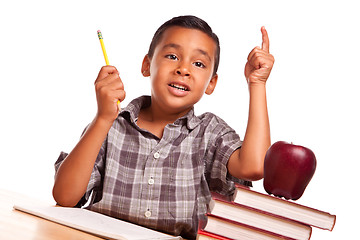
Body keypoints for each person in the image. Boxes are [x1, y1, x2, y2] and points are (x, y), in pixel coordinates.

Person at [52, 15, 274, 239]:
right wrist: (102, 119)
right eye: (172, 56)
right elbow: (64, 196)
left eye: (198, 64)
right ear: (147, 65)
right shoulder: (111, 124)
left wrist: (257, 84)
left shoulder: (209, 132)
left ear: (211, 83)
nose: (183, 69)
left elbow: (255, 167)